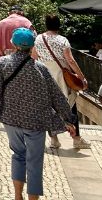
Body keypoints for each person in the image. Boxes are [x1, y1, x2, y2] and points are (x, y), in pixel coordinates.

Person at [0, 27, 77, 200]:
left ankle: (18, 196)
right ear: (32, 46)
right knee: (35, 161)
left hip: (11, 118)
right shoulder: (40, 68)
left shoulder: (2, 64)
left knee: (18, 155)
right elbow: (57, 95)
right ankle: (33, 198)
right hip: (35, 121)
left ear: (14, 44)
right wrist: (68, 119)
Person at [32, 14, 90, 150]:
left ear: (46, 25)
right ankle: (76, 139)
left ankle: (54, 140)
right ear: (58, 25)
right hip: (62, 77)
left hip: (45, 76)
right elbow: (70, 60)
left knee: (49, 108)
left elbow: (34, 57)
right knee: (70, 106)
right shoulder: (62, 40)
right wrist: (81, 77)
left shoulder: (38, 39)